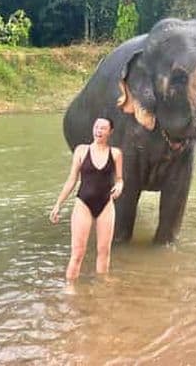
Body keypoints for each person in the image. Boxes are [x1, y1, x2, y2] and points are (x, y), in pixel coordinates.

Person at [50, 117, 123, 283]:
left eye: (103, 128)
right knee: (77, 252)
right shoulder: (81, 151)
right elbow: (72, 179)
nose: (98, 131)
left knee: (104, 251)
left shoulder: (116, 154)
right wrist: (58, 204)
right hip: (83, 204)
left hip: (106, 205)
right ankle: (70, 287)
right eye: (96, 127)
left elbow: (120, 179)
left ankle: (101, 286)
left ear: (110, 132)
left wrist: (119, 185)